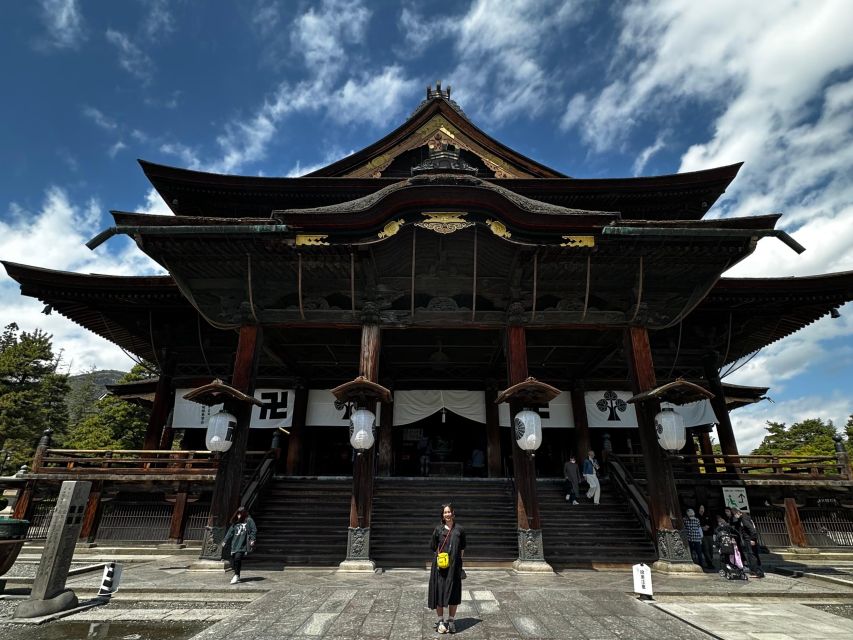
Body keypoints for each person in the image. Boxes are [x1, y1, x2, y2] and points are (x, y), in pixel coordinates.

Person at [429, 504, 466, 634]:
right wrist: (441, 559)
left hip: (454, 568)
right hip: (440, 568)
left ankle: (451, 620)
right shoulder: (438, 529)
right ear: (442, 515)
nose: (447, 514)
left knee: (453, 594)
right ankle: (440, 621)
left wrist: (458, 563)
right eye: (445, 512)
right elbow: (433, 546)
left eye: (449, 512)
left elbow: (462, 548)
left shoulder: (459, 530)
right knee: (439, 592)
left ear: (453, 513)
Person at [221, 506, 257, 584]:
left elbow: (254, 530)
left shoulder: (249, 521)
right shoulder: (235, 523)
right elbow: (230, 532)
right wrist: (225, 540)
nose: (239, 516)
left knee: (237, 558)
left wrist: (252, 539)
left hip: (243, 544)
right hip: (235, 544)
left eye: (240, 514)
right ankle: (237, 574)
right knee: (235, 560)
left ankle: (236, 575)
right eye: (238, 514)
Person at [732, 508, 764, 578]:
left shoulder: (744, 519)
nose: (734, 516)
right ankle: (758, 571)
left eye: (735, 514)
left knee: (751, 555)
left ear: (738, 512)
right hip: (750, 539)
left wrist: (752, 539)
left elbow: (752, 529)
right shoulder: (744, 517)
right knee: (754, 555)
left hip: (749, 539)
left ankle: (756, 572)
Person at [698, 504, 715, 569]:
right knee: (705, 549)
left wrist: (707, 526)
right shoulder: (697, 517)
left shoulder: (707, 515)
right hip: (702, 535)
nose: (702, 509)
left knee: (711, 549)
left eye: (703, 508)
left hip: (709, 534)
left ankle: (710, 561)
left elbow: (711, 523)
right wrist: (702, 528)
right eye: (700, 508)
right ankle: (709, 563)